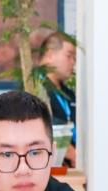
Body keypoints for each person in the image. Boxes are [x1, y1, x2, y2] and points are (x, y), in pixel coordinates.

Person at [38, 31, 77, 167]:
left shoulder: (68, 93)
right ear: (49, 55)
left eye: (75, 58)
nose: (73, 62)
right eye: (69, 56)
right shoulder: (34, 89)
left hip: (72, 168)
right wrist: (71, 153)